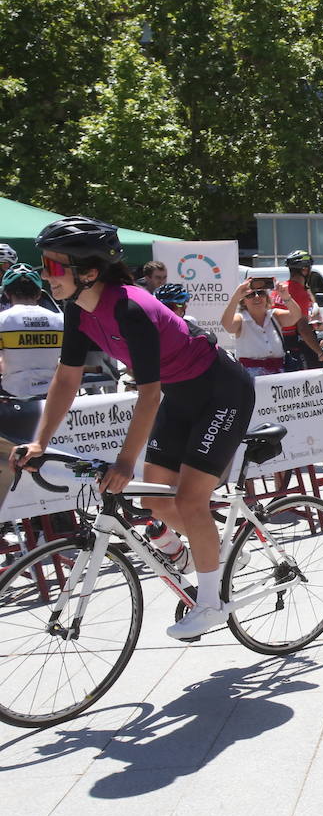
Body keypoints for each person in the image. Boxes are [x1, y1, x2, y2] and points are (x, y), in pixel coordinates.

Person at [15, 216, 255, 640]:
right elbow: (66, 379)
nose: (44, 275)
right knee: (157, 504)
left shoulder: (130, 308)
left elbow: (148, 394)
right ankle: (215, 551)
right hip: (183, 396)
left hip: (222, 392)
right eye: (43, 264)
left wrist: (125, 462)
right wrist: (40, 441)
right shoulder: (77, 310)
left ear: (88, 272)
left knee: (190, 498)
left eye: (53, 266)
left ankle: (212, 602)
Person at [0, 264, 63, 398]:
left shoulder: (2, 320)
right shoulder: (60, 321)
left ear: (6, 293)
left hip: (12, 394)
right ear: (39, 293)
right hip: (52, 394)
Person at [219, 278, 302, 377]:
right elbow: (227, 325)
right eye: (250, 295)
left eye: (261, 293)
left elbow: (296, 316)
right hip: (250, 376)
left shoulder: (275, 315)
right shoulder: (241, 319)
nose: (257, 297)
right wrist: (235, 298)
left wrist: (286, 296)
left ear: (266, 298)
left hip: (278, 374)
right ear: (244, 301)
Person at [279, 250, 323, 370]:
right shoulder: (299, 292)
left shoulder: (279, 289)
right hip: (295, 346)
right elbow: (303, 328)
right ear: (305, 269)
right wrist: (321, 353)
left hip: (279, 345)